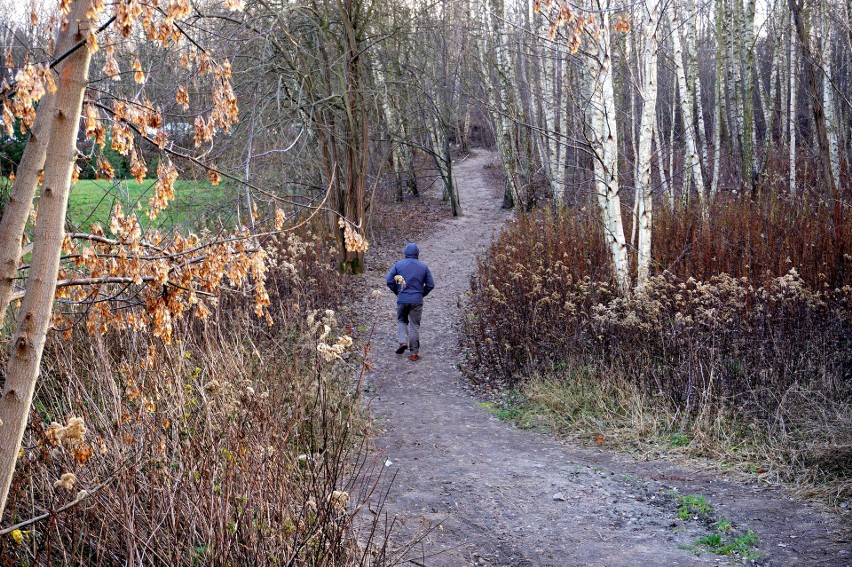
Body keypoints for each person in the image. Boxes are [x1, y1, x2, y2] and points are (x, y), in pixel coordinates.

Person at [386, 243, 435, 361]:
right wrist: (421, 293)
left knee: (402, 321)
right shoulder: (423, 266)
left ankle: (403, 342)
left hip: (402, 298)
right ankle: (414, 353)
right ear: (417, 254)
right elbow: (431, 285)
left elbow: (389, 280)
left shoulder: (398, 265)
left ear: (405, 253)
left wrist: (397, 291)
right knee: (414, 325)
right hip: (417, 300)